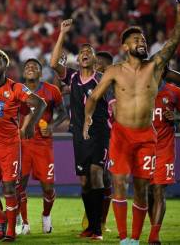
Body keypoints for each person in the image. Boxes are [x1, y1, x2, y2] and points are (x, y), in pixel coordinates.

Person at [84, 0, 180, 243]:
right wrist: (87, 120)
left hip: (146, 136)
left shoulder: (155, 66)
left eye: (144, 40)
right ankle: (124, 237)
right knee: (118, 182)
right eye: (137, 40)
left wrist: (179, 7)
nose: (142, 43)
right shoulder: (114, 70)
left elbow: (175, 38)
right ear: (125, 47)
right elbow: (94, 96)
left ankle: (135, 239)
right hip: (121, 135)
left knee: (140, 189)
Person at [50, 19, 110, 240]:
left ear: (94, 59)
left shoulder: (103, 80)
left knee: (96, 174)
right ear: (78, 58)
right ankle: (92, 226)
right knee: (84, 182)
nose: (85, 53)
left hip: (100, 133)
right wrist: (62, 33)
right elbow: (54, 62)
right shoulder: (73, 77)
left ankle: (97, 228)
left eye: (89, 51)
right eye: (82, 51)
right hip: (78, 135)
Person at [0, 49, 46, 241]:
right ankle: (0, 218)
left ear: (4, 66)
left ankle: (9, 231)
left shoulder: (16, 88)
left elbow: (39, 104)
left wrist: (30, 125)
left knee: (9, 189)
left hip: (8, 147)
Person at [17, 58, 67, 235]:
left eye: (34, 67)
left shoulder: (51, 90)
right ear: (23, 72)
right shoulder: (16, 90)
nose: (30, 68)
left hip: (43, 145)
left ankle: (46, 215)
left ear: (40, 72)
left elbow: (63, 113)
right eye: (27, 66)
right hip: (22, 144)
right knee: (19, 185)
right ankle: (24, 222)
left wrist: (52, 126)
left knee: (48, 187)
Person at [82, 50, 114, 233]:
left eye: (101, 66)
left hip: (109, 135)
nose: (97, 69)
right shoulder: (90, 82)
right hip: (90, 136)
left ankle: (100, 222)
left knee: (105, 177)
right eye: (96, 66)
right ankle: (93, 220)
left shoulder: (111, 85)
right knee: (89, 179)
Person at [147, 68, 180, 244]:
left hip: (164, 147)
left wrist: (176, 117)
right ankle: (154, 229)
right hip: (144, 149)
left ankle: (154, 235)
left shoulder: (174, 92)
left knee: (159, 190)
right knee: (148, 192)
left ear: (164, 71)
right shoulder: (139, 91)